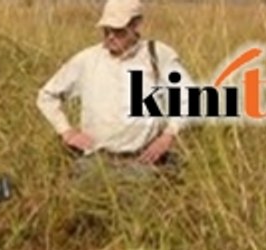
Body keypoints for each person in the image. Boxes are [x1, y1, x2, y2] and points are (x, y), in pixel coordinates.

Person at [36, 0, 191, 175]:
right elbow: (47, 95)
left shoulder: (158, 55)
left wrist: (168, 135)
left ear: (136, 25)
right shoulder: (87, 60)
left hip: (144, 162)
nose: (110, 36)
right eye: (106, 30)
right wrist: (66, 131)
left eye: (118, 30)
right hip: (96, 163)